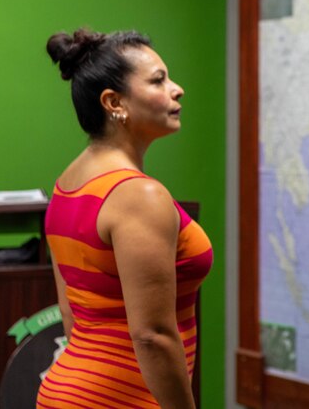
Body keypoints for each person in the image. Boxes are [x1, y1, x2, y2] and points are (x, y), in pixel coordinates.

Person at [38, 29, 213, 409]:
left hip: (66, 392)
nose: (177, 89)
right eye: (158, 80)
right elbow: (152, 335)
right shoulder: (138, 195)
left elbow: (71, 316)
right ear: (114, 102)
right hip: (122, 398)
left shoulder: (67, 184)